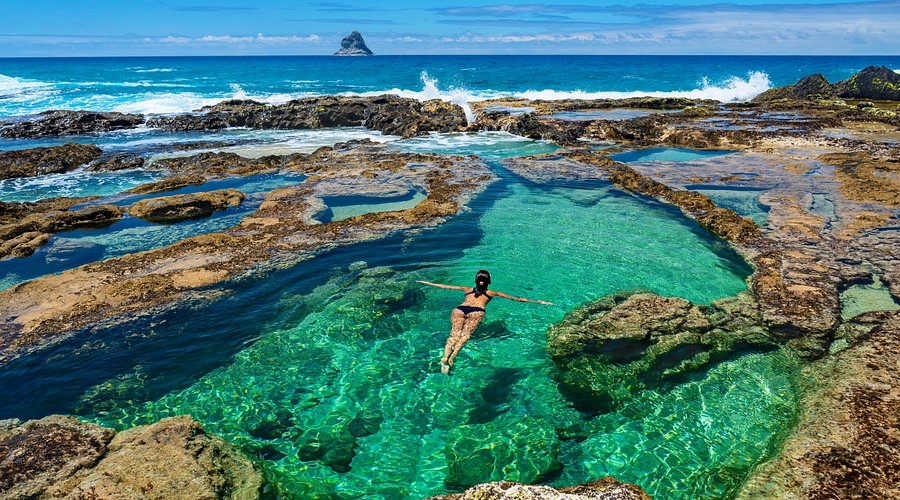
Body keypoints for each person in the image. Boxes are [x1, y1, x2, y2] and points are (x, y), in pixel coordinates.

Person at [417, 270, 552, 374]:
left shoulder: (467, 289)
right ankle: (452, 357)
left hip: (460, 309)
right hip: (476, 311)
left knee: (454, 334)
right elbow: (517, 299)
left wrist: (427, 283)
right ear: (489, 282)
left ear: (475, 280)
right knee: (465, 336)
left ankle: (444, 357)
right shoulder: (492, 293)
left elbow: (444, 286)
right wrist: (539, 302)